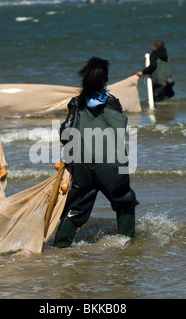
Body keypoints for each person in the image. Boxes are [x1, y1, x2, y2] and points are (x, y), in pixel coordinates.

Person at [54, 57, 139, 248]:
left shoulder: (76, 103)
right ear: (106, 77)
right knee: (124, 200)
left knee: (77, 205)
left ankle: (60, 247)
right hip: (111, 161)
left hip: (82, 162)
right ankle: (127, 245)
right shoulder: (112, 102)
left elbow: (65, 131)